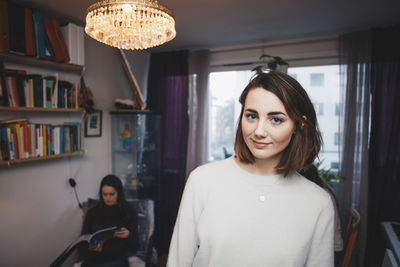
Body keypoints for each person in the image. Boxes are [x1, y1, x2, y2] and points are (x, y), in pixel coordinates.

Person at [167, 71, 335, 267]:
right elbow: (179, 262)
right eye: (252, 116)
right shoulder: (202, 180)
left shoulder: (318, 203)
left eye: (276, 119)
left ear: (299, 125)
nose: (259, 131)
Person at [79, 174, 139, 267]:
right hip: (94, 257)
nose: (108, 198)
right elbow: (82, 245)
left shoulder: (129, 211)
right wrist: (91, 248)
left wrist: (128, 235)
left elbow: (135, 247)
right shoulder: (93, 212)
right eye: (104, 194)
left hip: (117, 259)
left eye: (112, 194)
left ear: (118, 193)